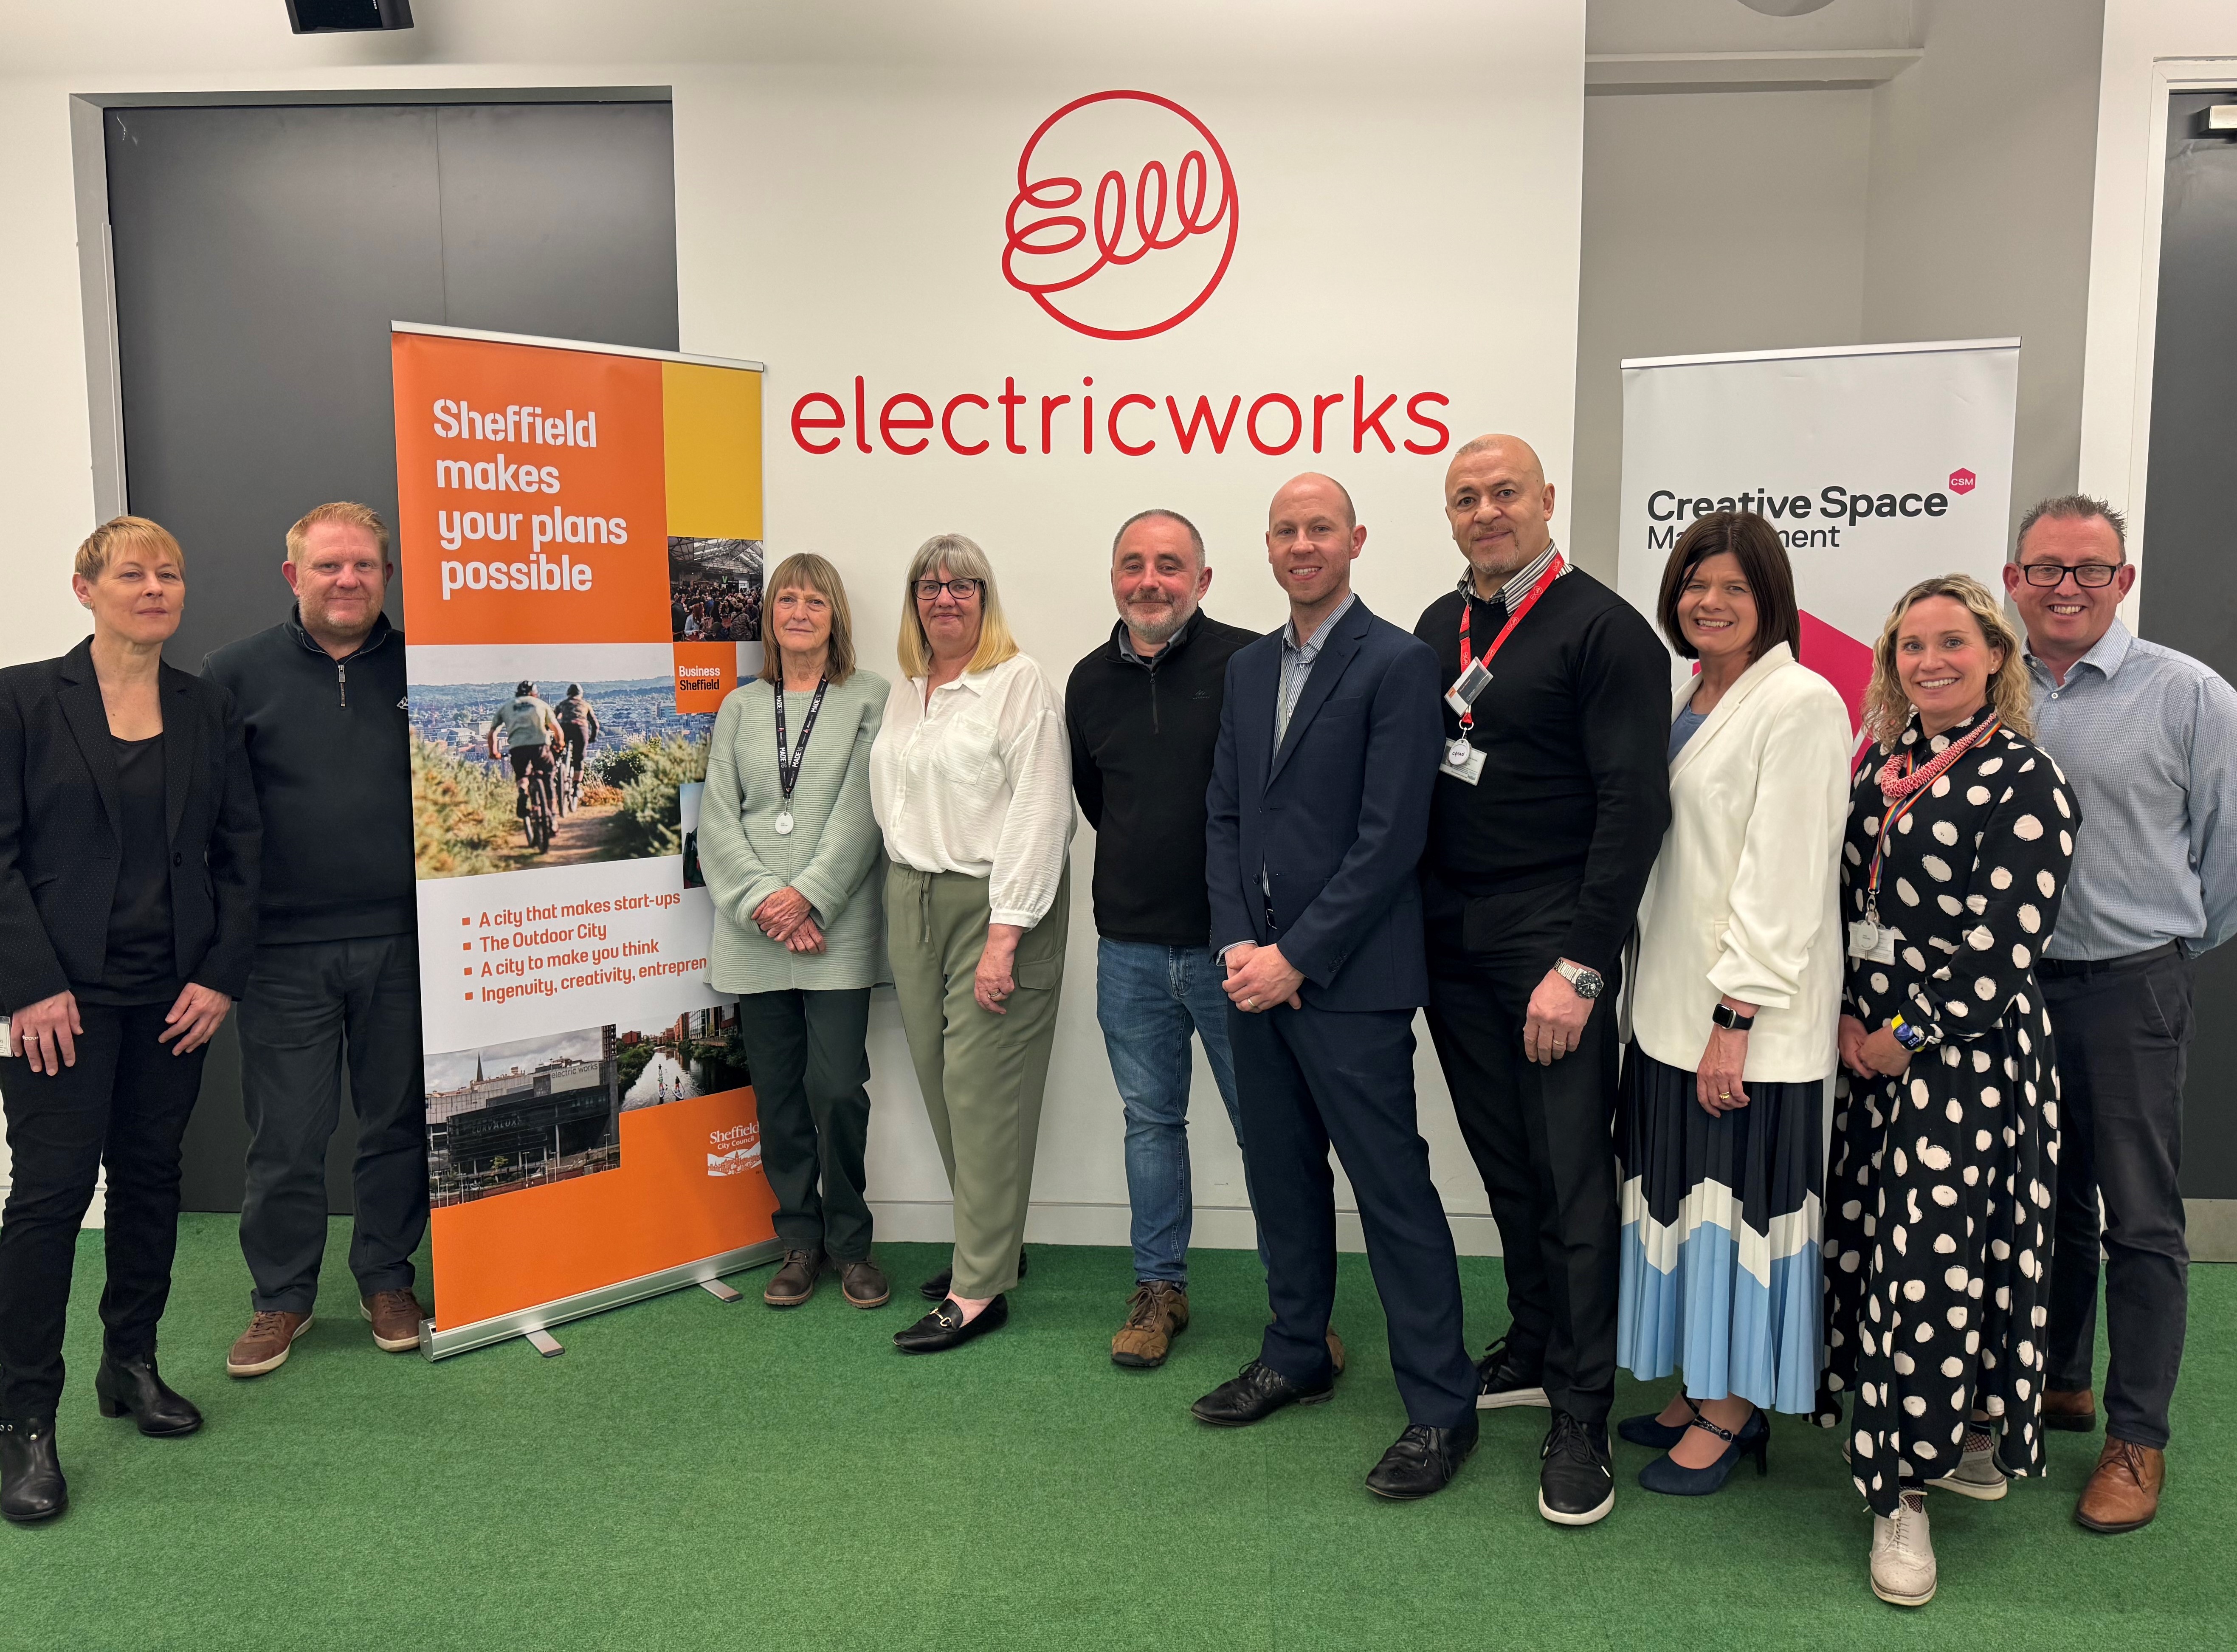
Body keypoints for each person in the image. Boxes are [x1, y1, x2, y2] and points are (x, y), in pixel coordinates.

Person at [1191, 472, 1479, 1503]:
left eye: (1320, 527)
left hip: (1345, 982)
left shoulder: (1398, 661)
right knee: (1280, 1176)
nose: (1302, 544)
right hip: (1250, 976)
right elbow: (1223, 814)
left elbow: (1390, 836)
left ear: (1354, 539)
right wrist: (1237, 947)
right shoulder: (1245, 666)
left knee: (1391, 1190)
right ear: (1266, 548)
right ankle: (1296, 1350)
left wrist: (1296, 957)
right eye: (1285, 529)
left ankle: (1441, 1409)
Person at [1412, 433, 1670, 1526]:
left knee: (1570, 1170)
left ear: (1546, 498)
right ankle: (1528, 1340)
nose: (1486, 510)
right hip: (1450, 931)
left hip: (1548, 933)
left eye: (1504, 490)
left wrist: (1579, 962)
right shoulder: (1439, 624)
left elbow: (1632, 809)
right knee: (1503, 1156)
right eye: (1466, 496)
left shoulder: (1604, 628)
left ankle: (1580, 1405)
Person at [1820, 573, 2076, 1609]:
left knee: (1930, 1267)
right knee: (1894, 1255)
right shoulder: (1882, 762)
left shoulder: (2023, 777)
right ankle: (1954, 1428)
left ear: (1995, 657)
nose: (1928, 660)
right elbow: (1843, 900)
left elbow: (2001, 949)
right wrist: (1843, 1018)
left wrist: (1903, 1036)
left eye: (1950, 642)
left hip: (1960, 1063)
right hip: (1869, 1056)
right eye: (1909, 645)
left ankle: (1903, 1494)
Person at [0, 516, 259, 1525]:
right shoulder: (22, 698)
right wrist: (27, 983)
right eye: (132, 573)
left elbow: (242, 855)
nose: (155, 588)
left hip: (173, 998)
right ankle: (24, 1418)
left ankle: (130, 1365)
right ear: (85, 589)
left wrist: (219, 976)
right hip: (60, 1002)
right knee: (50, 1199)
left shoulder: (209, 708)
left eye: (171, 574)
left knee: (152, 1178)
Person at [2004, 496, 2237, 1534]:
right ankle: (2059, 1380)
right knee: (2039, 1201)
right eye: (2044, 567)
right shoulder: (1988, 685)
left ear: (2122, 581)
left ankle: (2135, 1439)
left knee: (2138, 1219)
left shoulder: (2187, 696)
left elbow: (2226, 858)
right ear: (2012, 578)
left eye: (2087, 570)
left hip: (2130, 982)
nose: (2064, 586)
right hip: (2010, 990)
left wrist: (2162, 946)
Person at [1612, 513, 1851, 1495]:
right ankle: (1698, 1380)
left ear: (1769, 599)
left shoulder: (1798, 702)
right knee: (1680, 1207)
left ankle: (1734, 1408)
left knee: (1738, 1215)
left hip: (1742, 1024)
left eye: (1731, 588)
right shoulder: (1693, 695)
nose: (1706, 602)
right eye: (1692, 584)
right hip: (1668, 1009)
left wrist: (1735, 1020)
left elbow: (1784, 877)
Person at [200, 503, 425, 1378]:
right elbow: (211, 818)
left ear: (386, 577)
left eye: (365, 566)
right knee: (287, 1136)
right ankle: (282, 1298)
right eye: (330, 566)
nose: (348, 581)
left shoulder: (425, 667)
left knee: (396, 1124)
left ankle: (386, 1278)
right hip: (283, 952)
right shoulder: (235, 674)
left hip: (405, 943)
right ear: (294, 575)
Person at [1066, 508, 1270, 1370]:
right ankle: (1159, 1289)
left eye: (1170, 565)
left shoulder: (1253, 665)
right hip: (1132, 950)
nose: (1150, 580)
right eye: (1133, 564)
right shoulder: (1086, 681)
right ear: (1114, 576)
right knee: (1150, 1122)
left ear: (1204, 580)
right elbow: (1096, 799)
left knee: (1269, 1128)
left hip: (1236, 952)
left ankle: (1296, 1303)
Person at [871, 534, 1073, 1353]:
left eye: (962, 585)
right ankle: (988, 1244)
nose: (944, 598)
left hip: (994, 904)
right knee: (940, 1084)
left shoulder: (1016, 683)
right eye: (929, 585)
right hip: (910, 898)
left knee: (982, 1092)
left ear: (985, 598)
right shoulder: (907, 690)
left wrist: (1005, 936)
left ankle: (977, 1287)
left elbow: (1040, 813)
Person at [699, 553, 891, 1311]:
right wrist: (763, 904)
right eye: (787, 599)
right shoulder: (740, 708)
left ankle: (851, 1244)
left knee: (838, 1088)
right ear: (769, 616)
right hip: (753, 933)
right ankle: (798, 1243)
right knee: (776, 1096)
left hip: (833, 928)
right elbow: (718, 819)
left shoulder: (869, 698)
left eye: (816, 600)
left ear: (835, 615)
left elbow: (864, 809)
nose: (801, 611)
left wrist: (808, 899)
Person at [486, 682, 560, 818]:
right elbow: (557, 730)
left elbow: (492, 734)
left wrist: (494, 753)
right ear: (535, 694)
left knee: (522, 776)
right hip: (540, 746)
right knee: (548, 776)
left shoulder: (506, 707)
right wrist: (559, 744)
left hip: (518, 747)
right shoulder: (541, 704)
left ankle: (523, 790)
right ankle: (552, 816)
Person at [552, 683, 600, 801]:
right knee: (579, 759)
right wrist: (592, 738)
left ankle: (555, 770)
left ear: (569, 694)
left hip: (565, 729)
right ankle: (577, 787)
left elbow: (553, 719)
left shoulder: (563, 704)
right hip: (580, 730)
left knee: (555, 751)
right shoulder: (585, 705)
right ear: (581, 695)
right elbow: (595, 725)